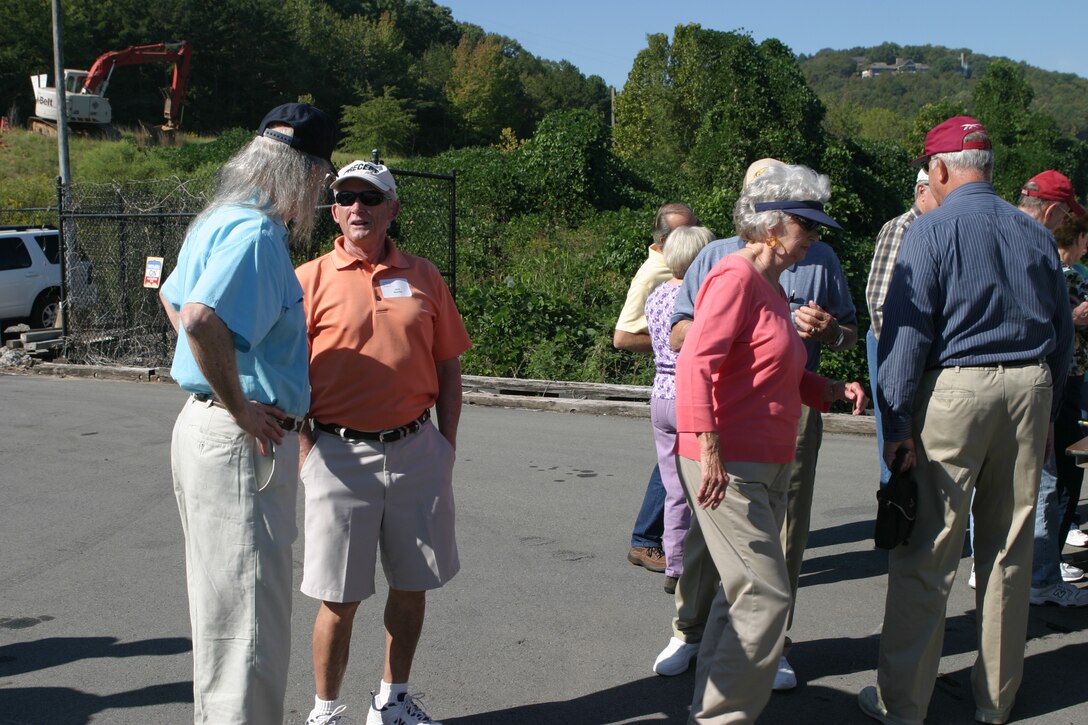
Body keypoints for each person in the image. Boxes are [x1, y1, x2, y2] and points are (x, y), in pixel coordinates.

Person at [859, 117, 1073, 725]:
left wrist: (896, 423)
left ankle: (904, 703)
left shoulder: (928, 231)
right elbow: (1060, 335)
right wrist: (1049, 409)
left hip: (955, 390)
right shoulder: (1033, 233)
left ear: (941, 168)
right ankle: (996, 700)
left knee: (927, 553)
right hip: (1029, 386)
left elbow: (905, 337)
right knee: (1008, 554)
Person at [159, 102, 336, 724]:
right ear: (304, 172)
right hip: (241, 439)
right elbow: (205, 319)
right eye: (321, 176)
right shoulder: (258, 234)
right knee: (253, 621)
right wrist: (240, 405)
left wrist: (216, 384)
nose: (321, 189)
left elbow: (173, 298)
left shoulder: (217, 220)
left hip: (203, 428)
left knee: (221, 609)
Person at [673, 163, 866, 723]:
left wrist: (827, 388)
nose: (815, 237)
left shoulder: (773, 286)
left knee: (742, 601)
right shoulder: (734, 277)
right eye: (807, 225)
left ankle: (708, 712)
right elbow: (695, 364)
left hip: (767, 460)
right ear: (772, 225)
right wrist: (708, 447)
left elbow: (771, 371)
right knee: (765, 597)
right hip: (729, 463)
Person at [296, 160, 471, 725]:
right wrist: (307, 456)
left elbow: (448, 367)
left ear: (393, 208)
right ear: (333, 211)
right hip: (337, 455)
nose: (357, 208)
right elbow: (286, 376)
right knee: (338, 598)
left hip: (416, 448)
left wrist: (445, 446)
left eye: (370, 197)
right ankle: (325, 711)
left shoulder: (425, 275)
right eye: (346, 197)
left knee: (412, 585)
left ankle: (392, 701)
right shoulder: (308, 279)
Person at [616, 203, 699, 576]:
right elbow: (622, 336)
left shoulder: (670, 278)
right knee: (681, 474)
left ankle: (661, 545)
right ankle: (650, 541)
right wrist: (673, 345)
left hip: (663, 388)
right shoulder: (654, 274)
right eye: (685, 233)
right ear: (664, 242)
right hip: (679, 386)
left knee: (672, 468)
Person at [1019, 173, 1088, 607]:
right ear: (1053, 211)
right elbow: (1045, 322)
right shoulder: (1036, 244)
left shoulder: (1002, 232)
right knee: (1046, 480)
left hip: (998, 377)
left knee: (1008, 482)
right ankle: (1041, 577)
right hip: (1036, 378)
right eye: (1065, 213)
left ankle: (1005, 570)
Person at [644, 225, 715, 593]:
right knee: (702, 486)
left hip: (660, 393)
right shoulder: (696, 300)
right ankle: (698, 562)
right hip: (689, 395)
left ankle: (674, 565)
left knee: (673, 487)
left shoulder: (656, 295)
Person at [865, 168, 938, 484]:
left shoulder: (935, 228)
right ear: (922, 192)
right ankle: (896, 521)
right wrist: (900, 361)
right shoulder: (902, 228)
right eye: (940, 193)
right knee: (896, 448)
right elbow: (878, 300)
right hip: (891, 346)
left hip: (913, 350)